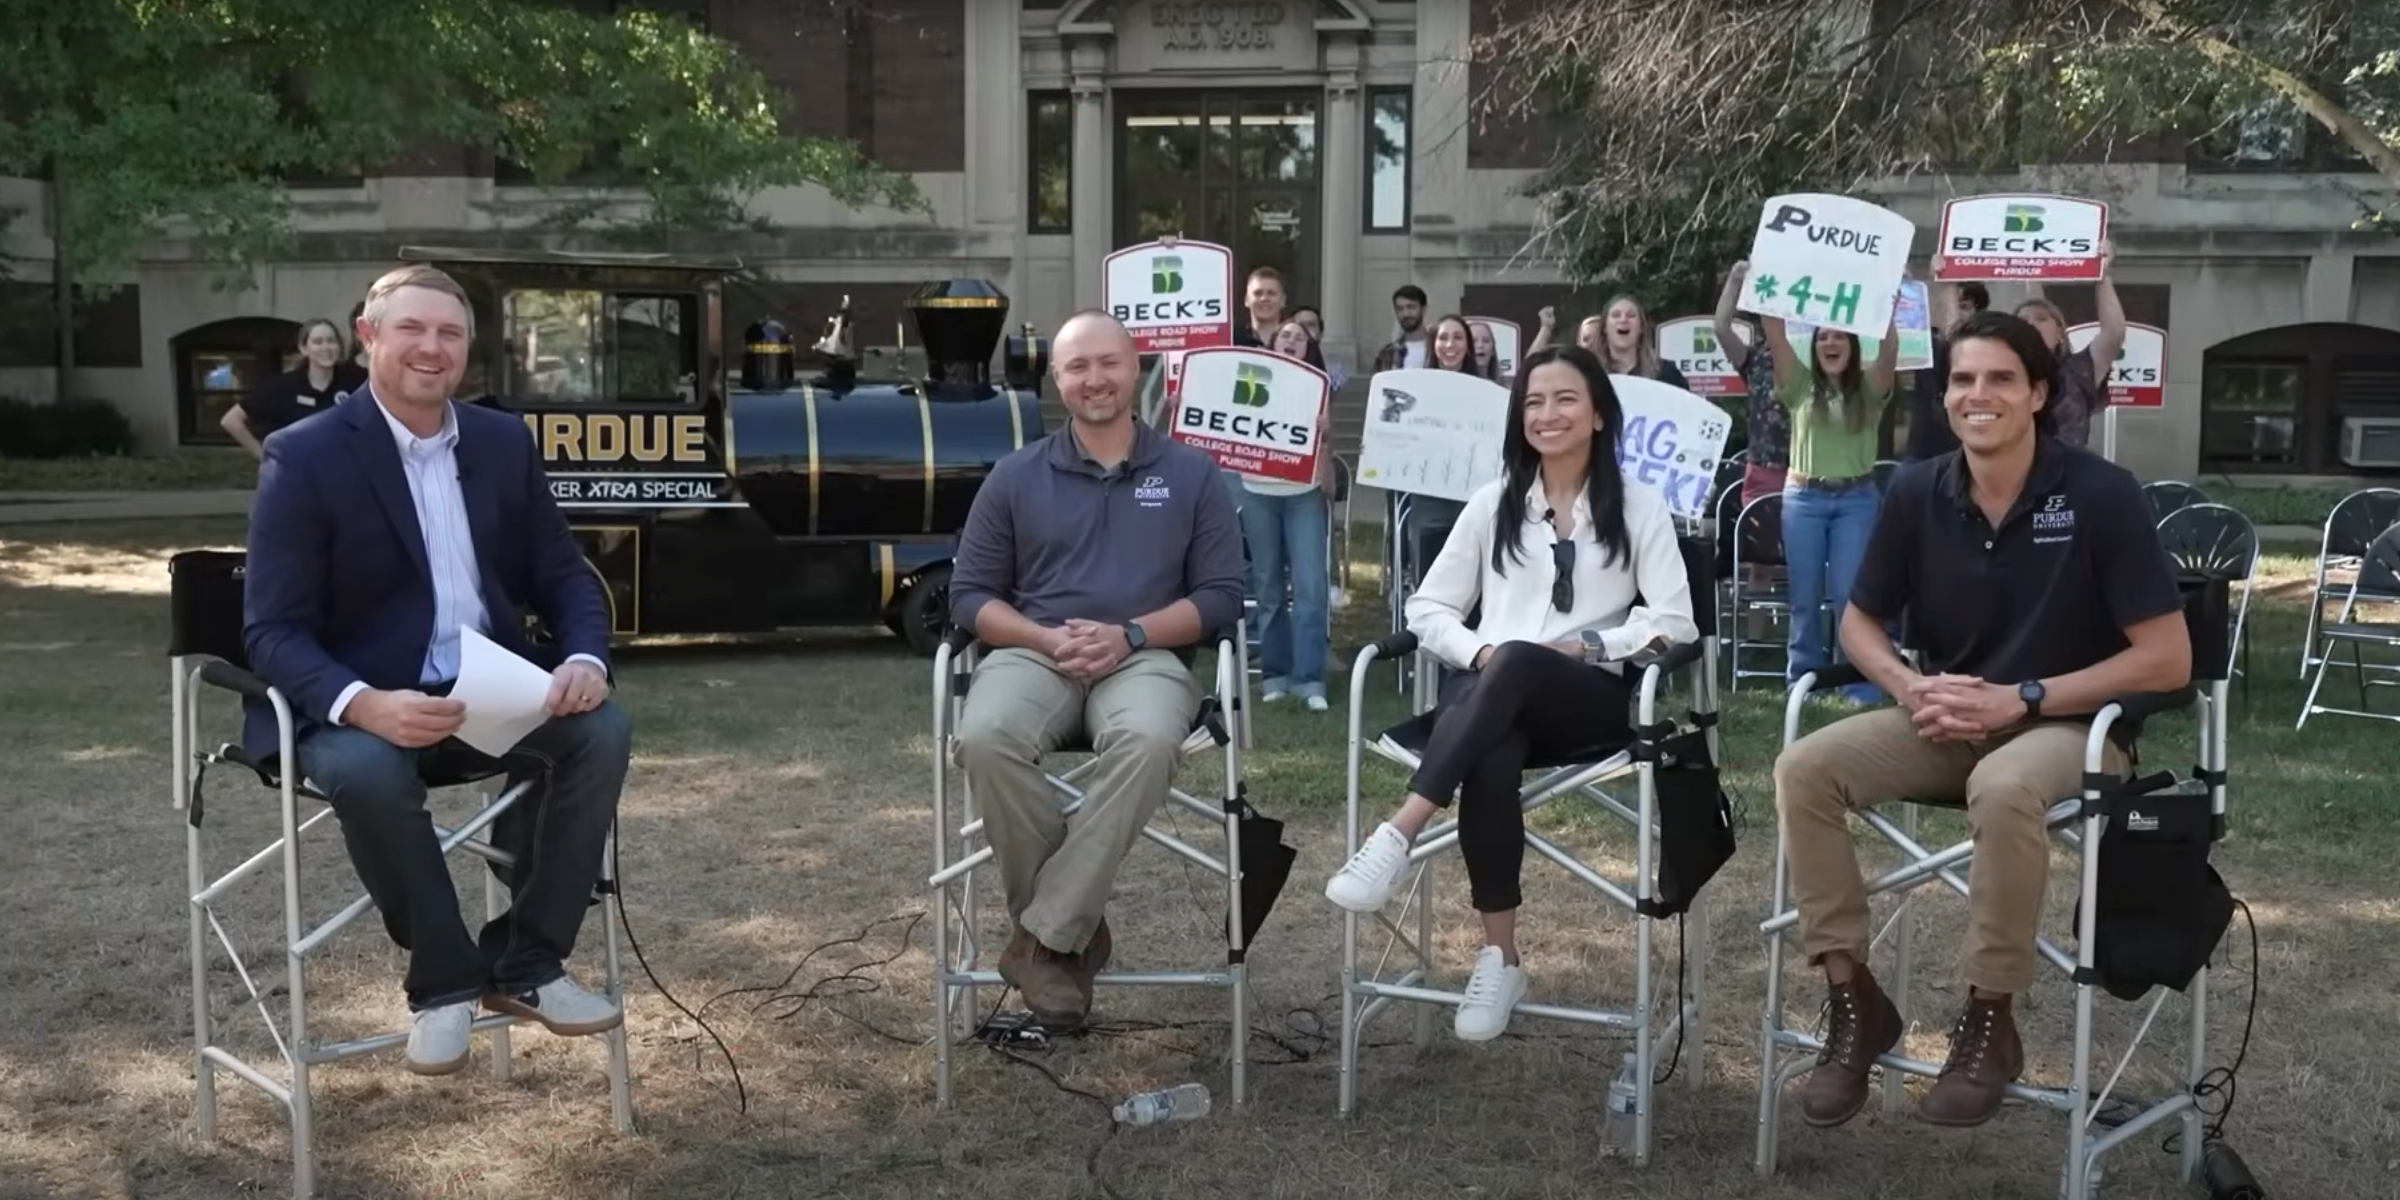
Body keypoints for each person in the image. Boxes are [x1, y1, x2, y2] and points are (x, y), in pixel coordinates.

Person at [1771, 311, 2191, 1130]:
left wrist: (2025, 697)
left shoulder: (2101, 493)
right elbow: (1858, 620)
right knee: (1803, 769)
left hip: (2076, 731)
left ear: (2038, 393)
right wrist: (1904, 685)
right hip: (1949, 720)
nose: (1978, 395)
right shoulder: (1915, 488)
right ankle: (1853, 999)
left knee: (2003, 788)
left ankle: (1989, 1018)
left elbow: (2167, 658)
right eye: (1963, 379)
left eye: (2000, 378)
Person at [240, 264, 630, 1077]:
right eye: (412, 328)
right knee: (372, 771)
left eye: (449, 333)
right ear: (368, 336)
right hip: (360, 705)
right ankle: (446, 983)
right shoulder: (303, 454)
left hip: (486, 691)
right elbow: (271, 630)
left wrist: (585, 657)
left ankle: (528, 965)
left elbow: (562, 574)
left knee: (600, 730)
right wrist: (362, 703)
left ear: (468, 350)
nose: (431, 347)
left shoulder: (499, 440)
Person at [1323, 345, 1699, 1041]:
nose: (1547, 413)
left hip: (1586, 701)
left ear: (1597, 416)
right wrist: (1482, 649)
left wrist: (1592, 644)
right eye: (1532, 401)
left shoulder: (1640, 504)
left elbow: (1676, 620)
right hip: (1491, 695)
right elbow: (1427, 608)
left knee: (1521, 665)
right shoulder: (1494, 503)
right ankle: (1501, 957)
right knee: (1491, 750)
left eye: (1564, 399)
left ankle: (1399, 831)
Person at [947, 309, 1247, 1031]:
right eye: (1077, 366)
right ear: (1057, 380)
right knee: (984, 735)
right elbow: (968, 596)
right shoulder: (1016, 476)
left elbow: (1221, 597)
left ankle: (1045, 940)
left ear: (1136, 366)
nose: (1095, 379)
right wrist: (1046, 640)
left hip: (1145, 657)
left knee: (1147, 743)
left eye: (1108, 362)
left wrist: (1129, 633)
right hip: (1033, 652)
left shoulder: (1192, 475)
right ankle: (1075, 934)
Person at [1764, 306, 1901, 706]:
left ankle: (1858, 680)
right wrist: (1752, 282)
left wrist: (1888, 302)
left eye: (1839, 335)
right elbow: (1775, 332)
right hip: (1804, 498)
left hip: (1856, 500)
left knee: (1849, 595)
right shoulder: (1799, 384)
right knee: (1804, 597)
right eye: (1822, 336)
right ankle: (1802, 680)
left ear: (1853, 344)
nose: (1830, 342)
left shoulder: (1870, 387)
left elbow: (1890, 346)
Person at [1243, 319, 1338, 711]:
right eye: (1286, 336)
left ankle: (1309, 679)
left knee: (1311, 589)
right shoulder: (1250, 380)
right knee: (1268, 590)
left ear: (1308, 350)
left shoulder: (1317, 389)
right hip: (1258, 493)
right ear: (1273, 345)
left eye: (1300, 338)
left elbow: (1327, 463)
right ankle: (1275, 675)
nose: (1293, 342)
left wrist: (1326, 436)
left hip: (1303, 496)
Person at [2016, 239, 2126, 450]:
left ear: (2060, 332)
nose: (2031, 324)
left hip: (2068, 477)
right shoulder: (2000, 373)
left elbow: (2114, 331)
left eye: (2041, 319)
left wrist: (2102, 273)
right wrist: (1947, 285)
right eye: (2023, 320)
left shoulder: (2078, 371)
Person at [221, 318, 369, 458]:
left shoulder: (356, 381)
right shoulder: (284, 387)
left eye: (331, 341)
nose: (326, 347)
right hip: (297, 477)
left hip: (343, 475)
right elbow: (231, 420)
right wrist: (264, 456)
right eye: (318, 342)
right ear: (304, 349)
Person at [1902, 265, 1991, 463]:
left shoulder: (1989, 348)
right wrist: (1904, 288)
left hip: (1968, 454)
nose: (1958, 314)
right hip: (1922, 453)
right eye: (1953, 305)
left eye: (1965, 307)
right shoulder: (1925, 342)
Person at [1371, 285, 1430, 372]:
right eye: (1400, 309)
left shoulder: (1439, 350)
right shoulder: (1387, 353)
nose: (1405, 314)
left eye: (1411, 307)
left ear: (1423, 309)